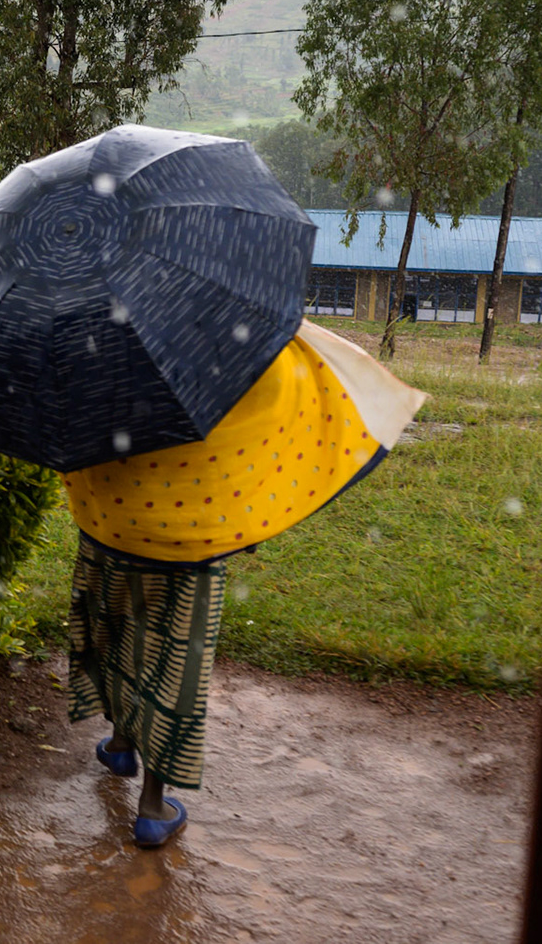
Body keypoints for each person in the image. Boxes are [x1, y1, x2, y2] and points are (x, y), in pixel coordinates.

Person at [61, 320, 425, 848]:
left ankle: (120, 743)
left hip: (107, 522)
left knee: (116, 634)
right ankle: (151, 805)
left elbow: (67, 432)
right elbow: (251, 431)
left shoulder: (88, 335)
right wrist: (247, 520)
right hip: (189, 538)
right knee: (170, 664)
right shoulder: (217, 338)